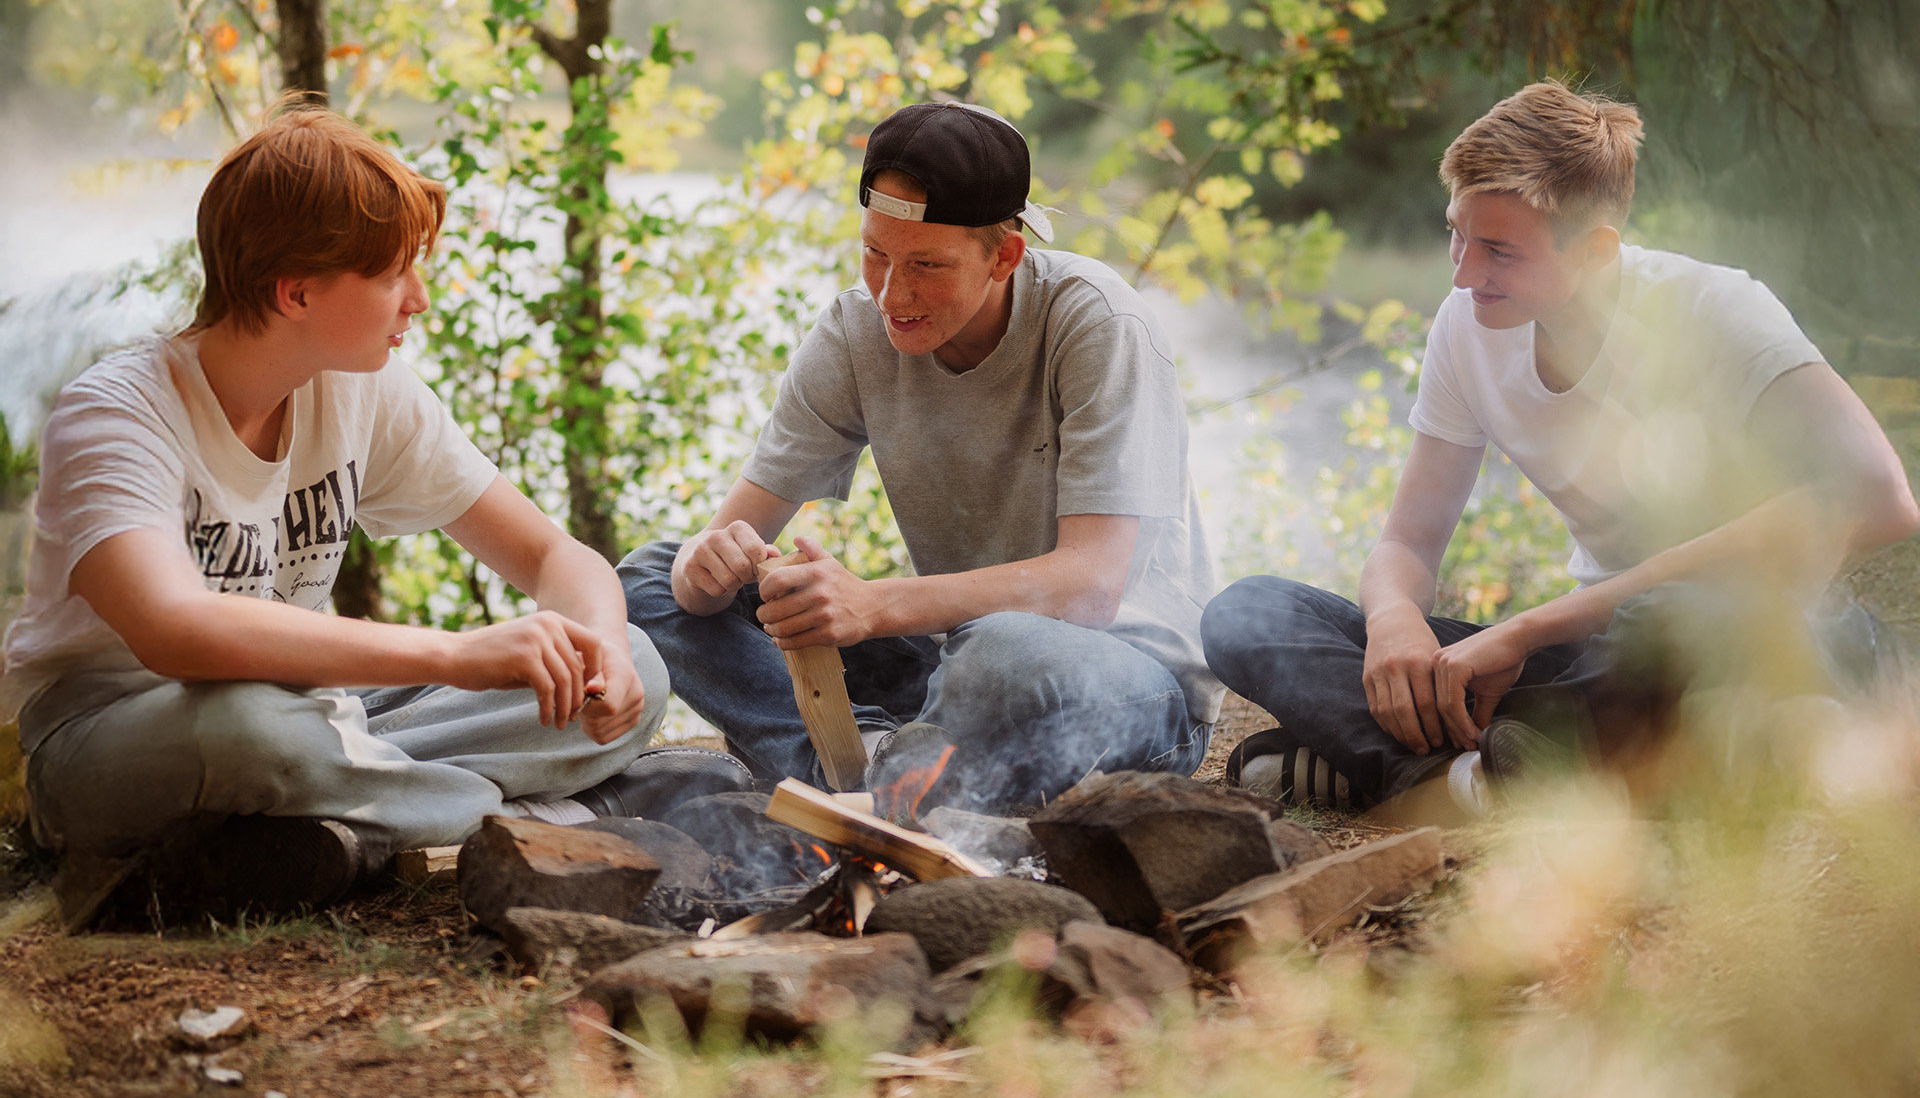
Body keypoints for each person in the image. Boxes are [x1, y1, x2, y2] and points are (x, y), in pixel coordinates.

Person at [1, 99, 747, 926]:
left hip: (325, 718)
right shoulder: (116, 415)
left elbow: (550, 558)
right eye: (393, 274)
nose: (417, 300)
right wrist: (462, 655)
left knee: (636, 661)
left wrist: (597, 650)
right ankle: (548, 819)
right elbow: (173, 630)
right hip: (120, 741)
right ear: (296, 292)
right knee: (256, 728)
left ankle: (350, 831)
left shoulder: (363, 388)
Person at [1202, 81, 1918, 818]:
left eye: (1498, 251)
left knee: (1664, 625)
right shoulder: (1466, 323)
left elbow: (1880, 499)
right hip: (1591, 661)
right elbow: (1409, 543)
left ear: (1595, 249)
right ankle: (1468, 778)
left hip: (1759, 637)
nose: (1462, 271)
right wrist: (1393, 627)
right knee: (1247, 611)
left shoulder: (1715, 309)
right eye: (1456, 233)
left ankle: (1438, 765)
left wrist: (1529, 627)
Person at [620, 102, 1222, 814]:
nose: (891, 294)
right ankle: (872, 771)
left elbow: (1089, 587)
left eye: (926, 265)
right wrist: (705, 569)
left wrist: (872, 605)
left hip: (1119, 678)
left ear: (1005, 255)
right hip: (951, 662)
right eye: (875, 253)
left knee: (1004, 656)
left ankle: (860, 778)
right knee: (649, 578)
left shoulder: (1095, 321)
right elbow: (723, 549)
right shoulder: (854, 333)